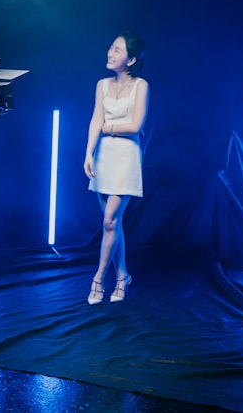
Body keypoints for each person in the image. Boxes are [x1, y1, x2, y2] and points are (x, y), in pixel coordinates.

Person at [83, 31, 148, 305]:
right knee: (114, 224)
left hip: (126, 158)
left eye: (118, 50)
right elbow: (95, 117)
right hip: (103, 156)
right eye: (111, 47)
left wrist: (108, 128)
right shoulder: (102, 84)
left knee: (109, 221)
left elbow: (136, 126)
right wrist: (88, 152)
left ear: (131, 59)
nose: (111, 53)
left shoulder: (141, 85)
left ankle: (98, 279)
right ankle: (122, 275)